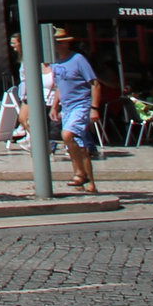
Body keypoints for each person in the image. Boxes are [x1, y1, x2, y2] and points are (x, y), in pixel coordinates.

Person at [48, 29, 99, 193]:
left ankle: (81, 174)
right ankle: (85, 178)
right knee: (76, 144)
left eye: (59, 41)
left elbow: (95, 84)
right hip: (67, 107)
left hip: (81, 104)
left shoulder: (78, 59)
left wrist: (94, 109)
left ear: (66, 42)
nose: (56, 44)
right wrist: (55, 106)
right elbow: (59, 86)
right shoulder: (55, 63)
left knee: (68, 135)